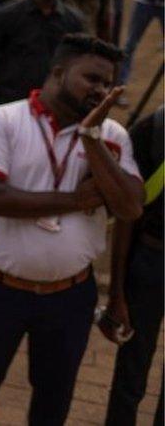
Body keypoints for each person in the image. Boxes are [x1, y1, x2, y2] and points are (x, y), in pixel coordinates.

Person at [0, 34, 143, 425]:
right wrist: (76, 201)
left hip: (71, 298)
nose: (101, 90)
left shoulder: (112, 136)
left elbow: (129, 206)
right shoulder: (1, 120)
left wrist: (91, 138)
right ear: (58, 73)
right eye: (91, 78)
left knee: (53, 403)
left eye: (108, 83)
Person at [103, 106, 164, 426]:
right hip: (151, 263)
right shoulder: (154, 129)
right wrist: (118, 292)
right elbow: (127, 215)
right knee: (132, 370)